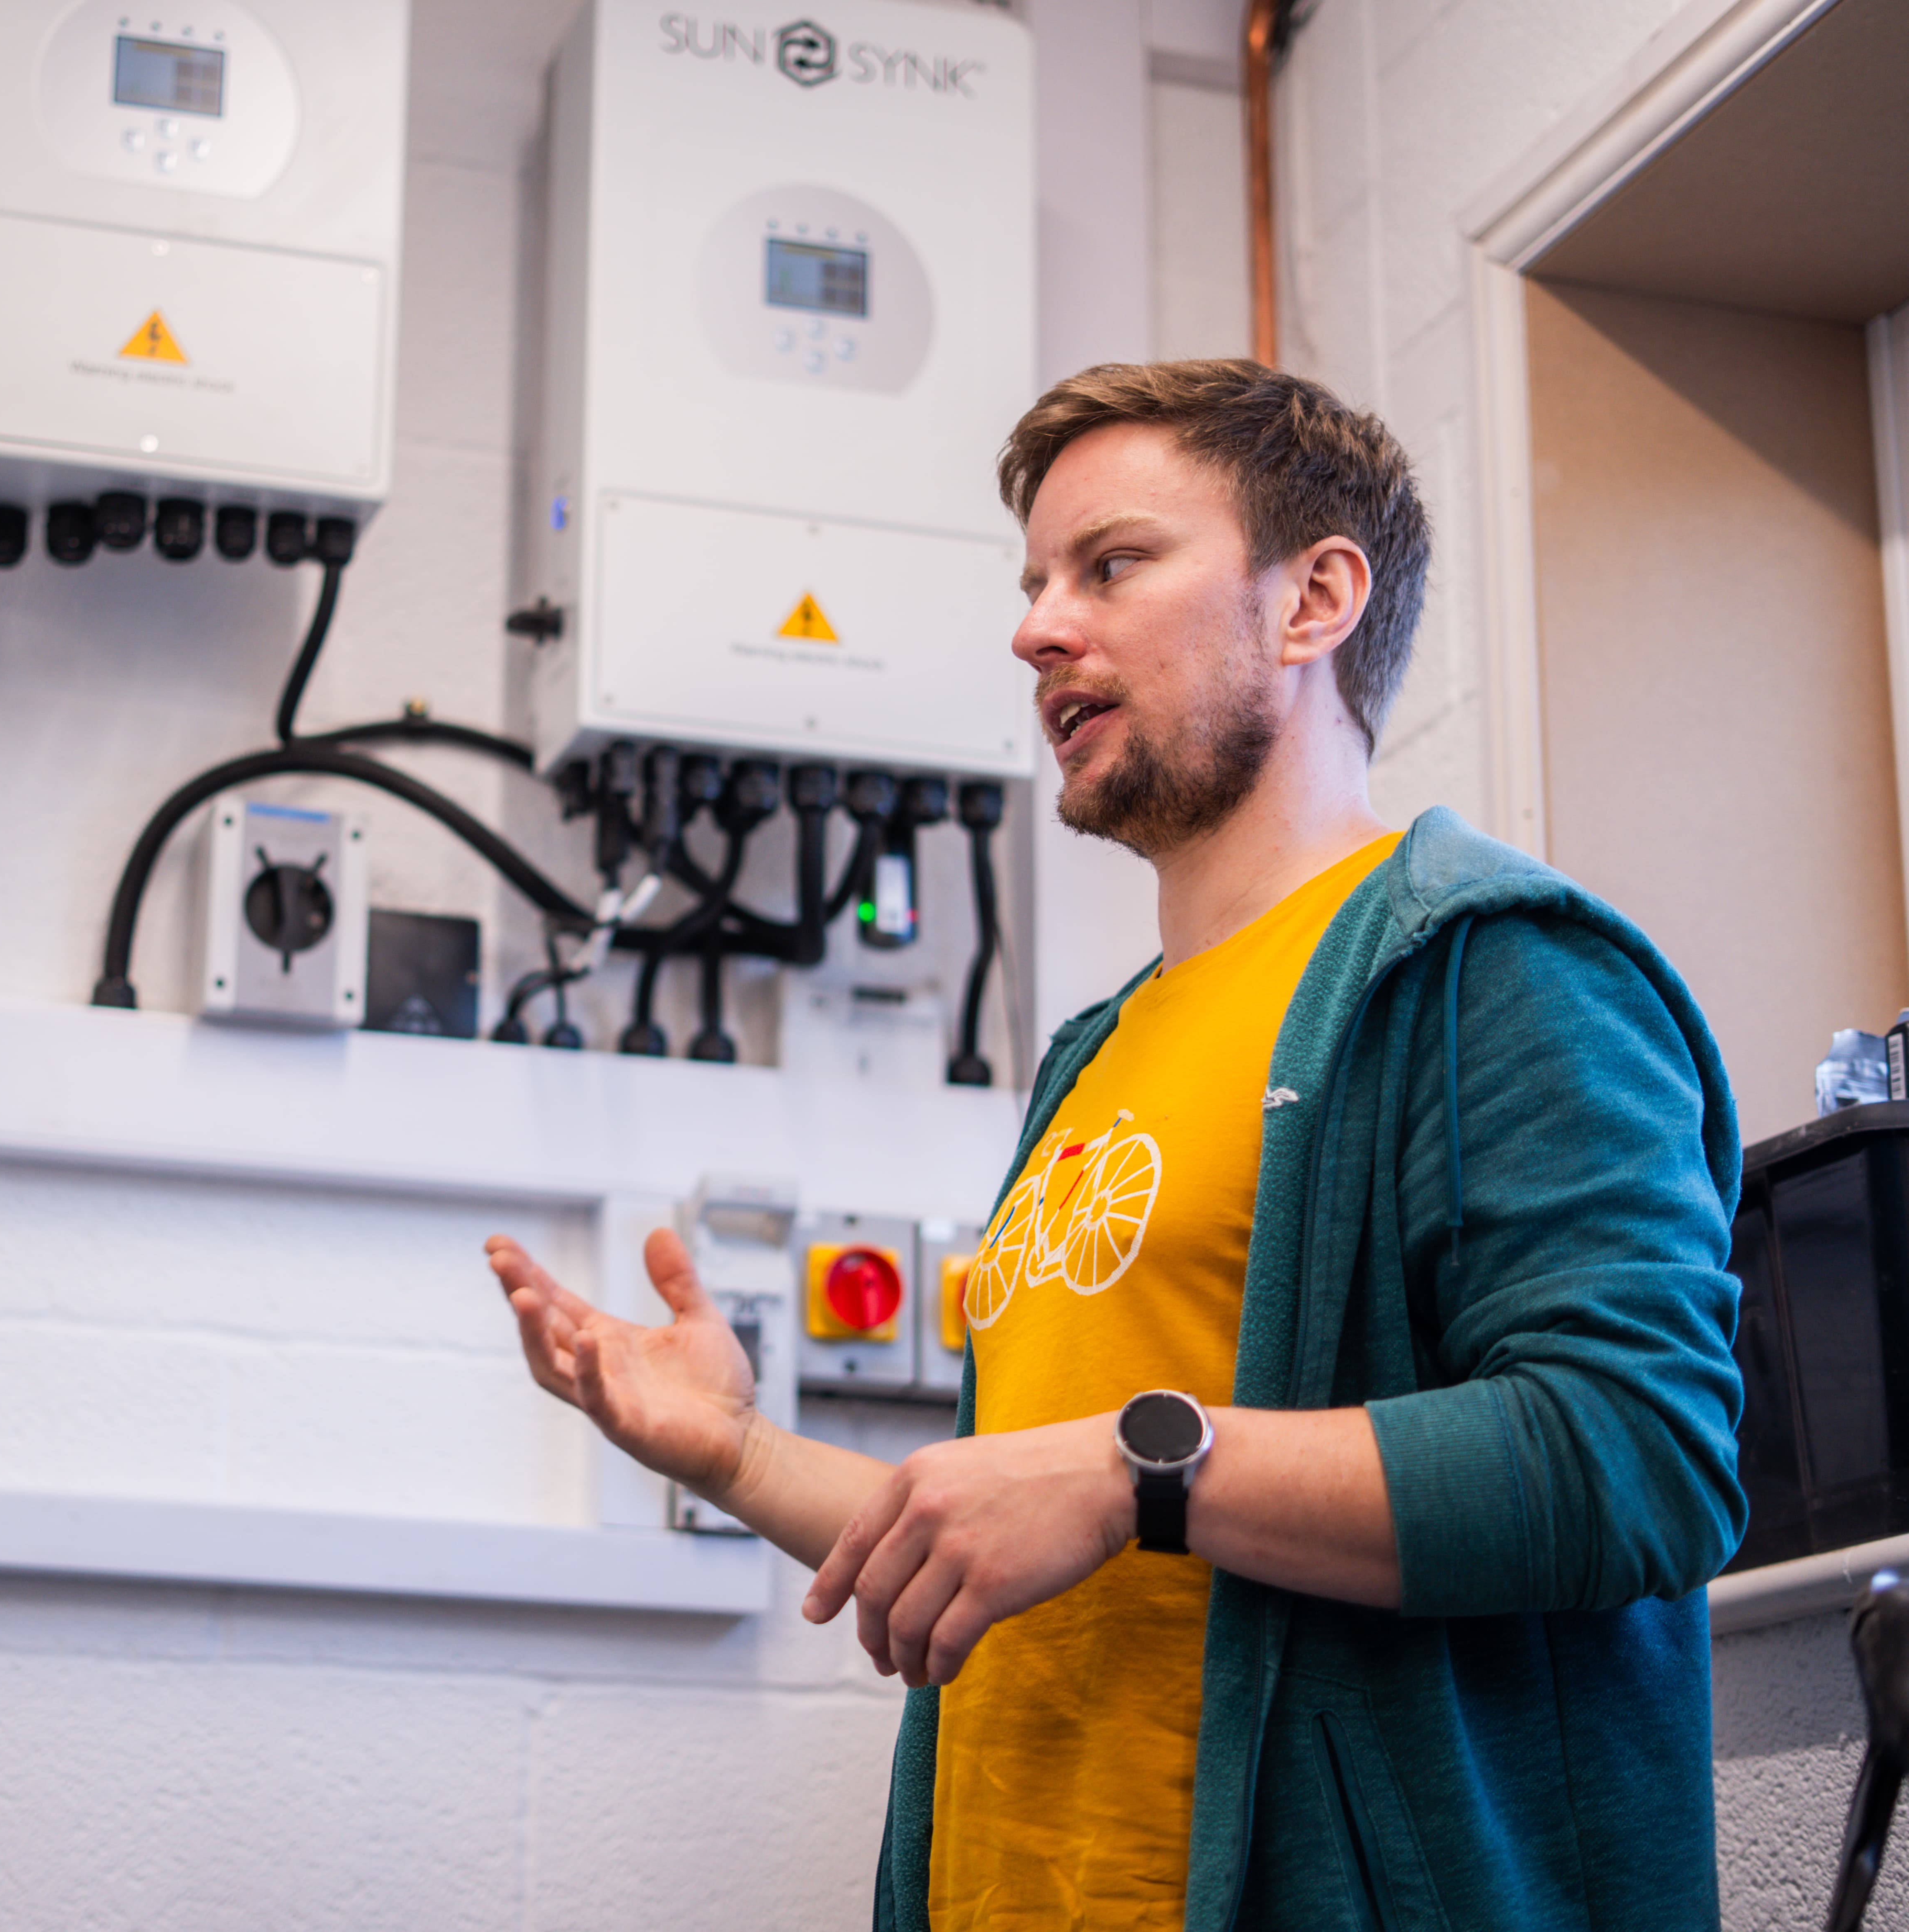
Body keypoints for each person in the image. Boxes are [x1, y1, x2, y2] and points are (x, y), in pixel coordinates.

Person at [485, 359, 1746, 1931]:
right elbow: (1029, 1523)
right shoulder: (1096, 1057)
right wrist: (735, 1455)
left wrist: (1135, 1466)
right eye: (1033, 586)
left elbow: (1638, 1459)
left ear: (1315, 601)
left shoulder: (1494, 971)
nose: (1036, 628)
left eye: (1114, 564)